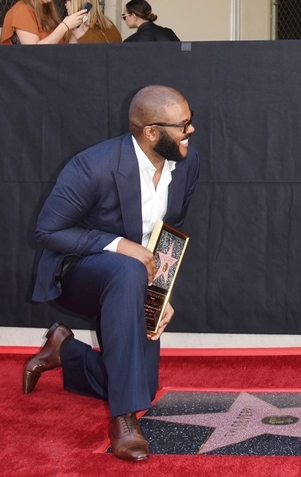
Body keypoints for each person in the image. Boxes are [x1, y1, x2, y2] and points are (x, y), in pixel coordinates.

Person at [24, 85, 199, 461]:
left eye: (190, 121)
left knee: (143, 384)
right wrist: (120, 245)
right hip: (76, 273)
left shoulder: (186, 162)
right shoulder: (94, 165)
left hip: (134, 280)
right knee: (125, 266)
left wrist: (160, 293)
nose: (190, 131)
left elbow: (168, 233)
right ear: (152, 132)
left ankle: (65, 350)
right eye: (182, 124)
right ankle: (124, 420)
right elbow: (48, 232)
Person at [1, 0, 88, 44]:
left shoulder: (47, 11)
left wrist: (73, 38)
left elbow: (60, 55)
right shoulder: (21, 10)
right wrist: (64, 27)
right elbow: (32, 51)